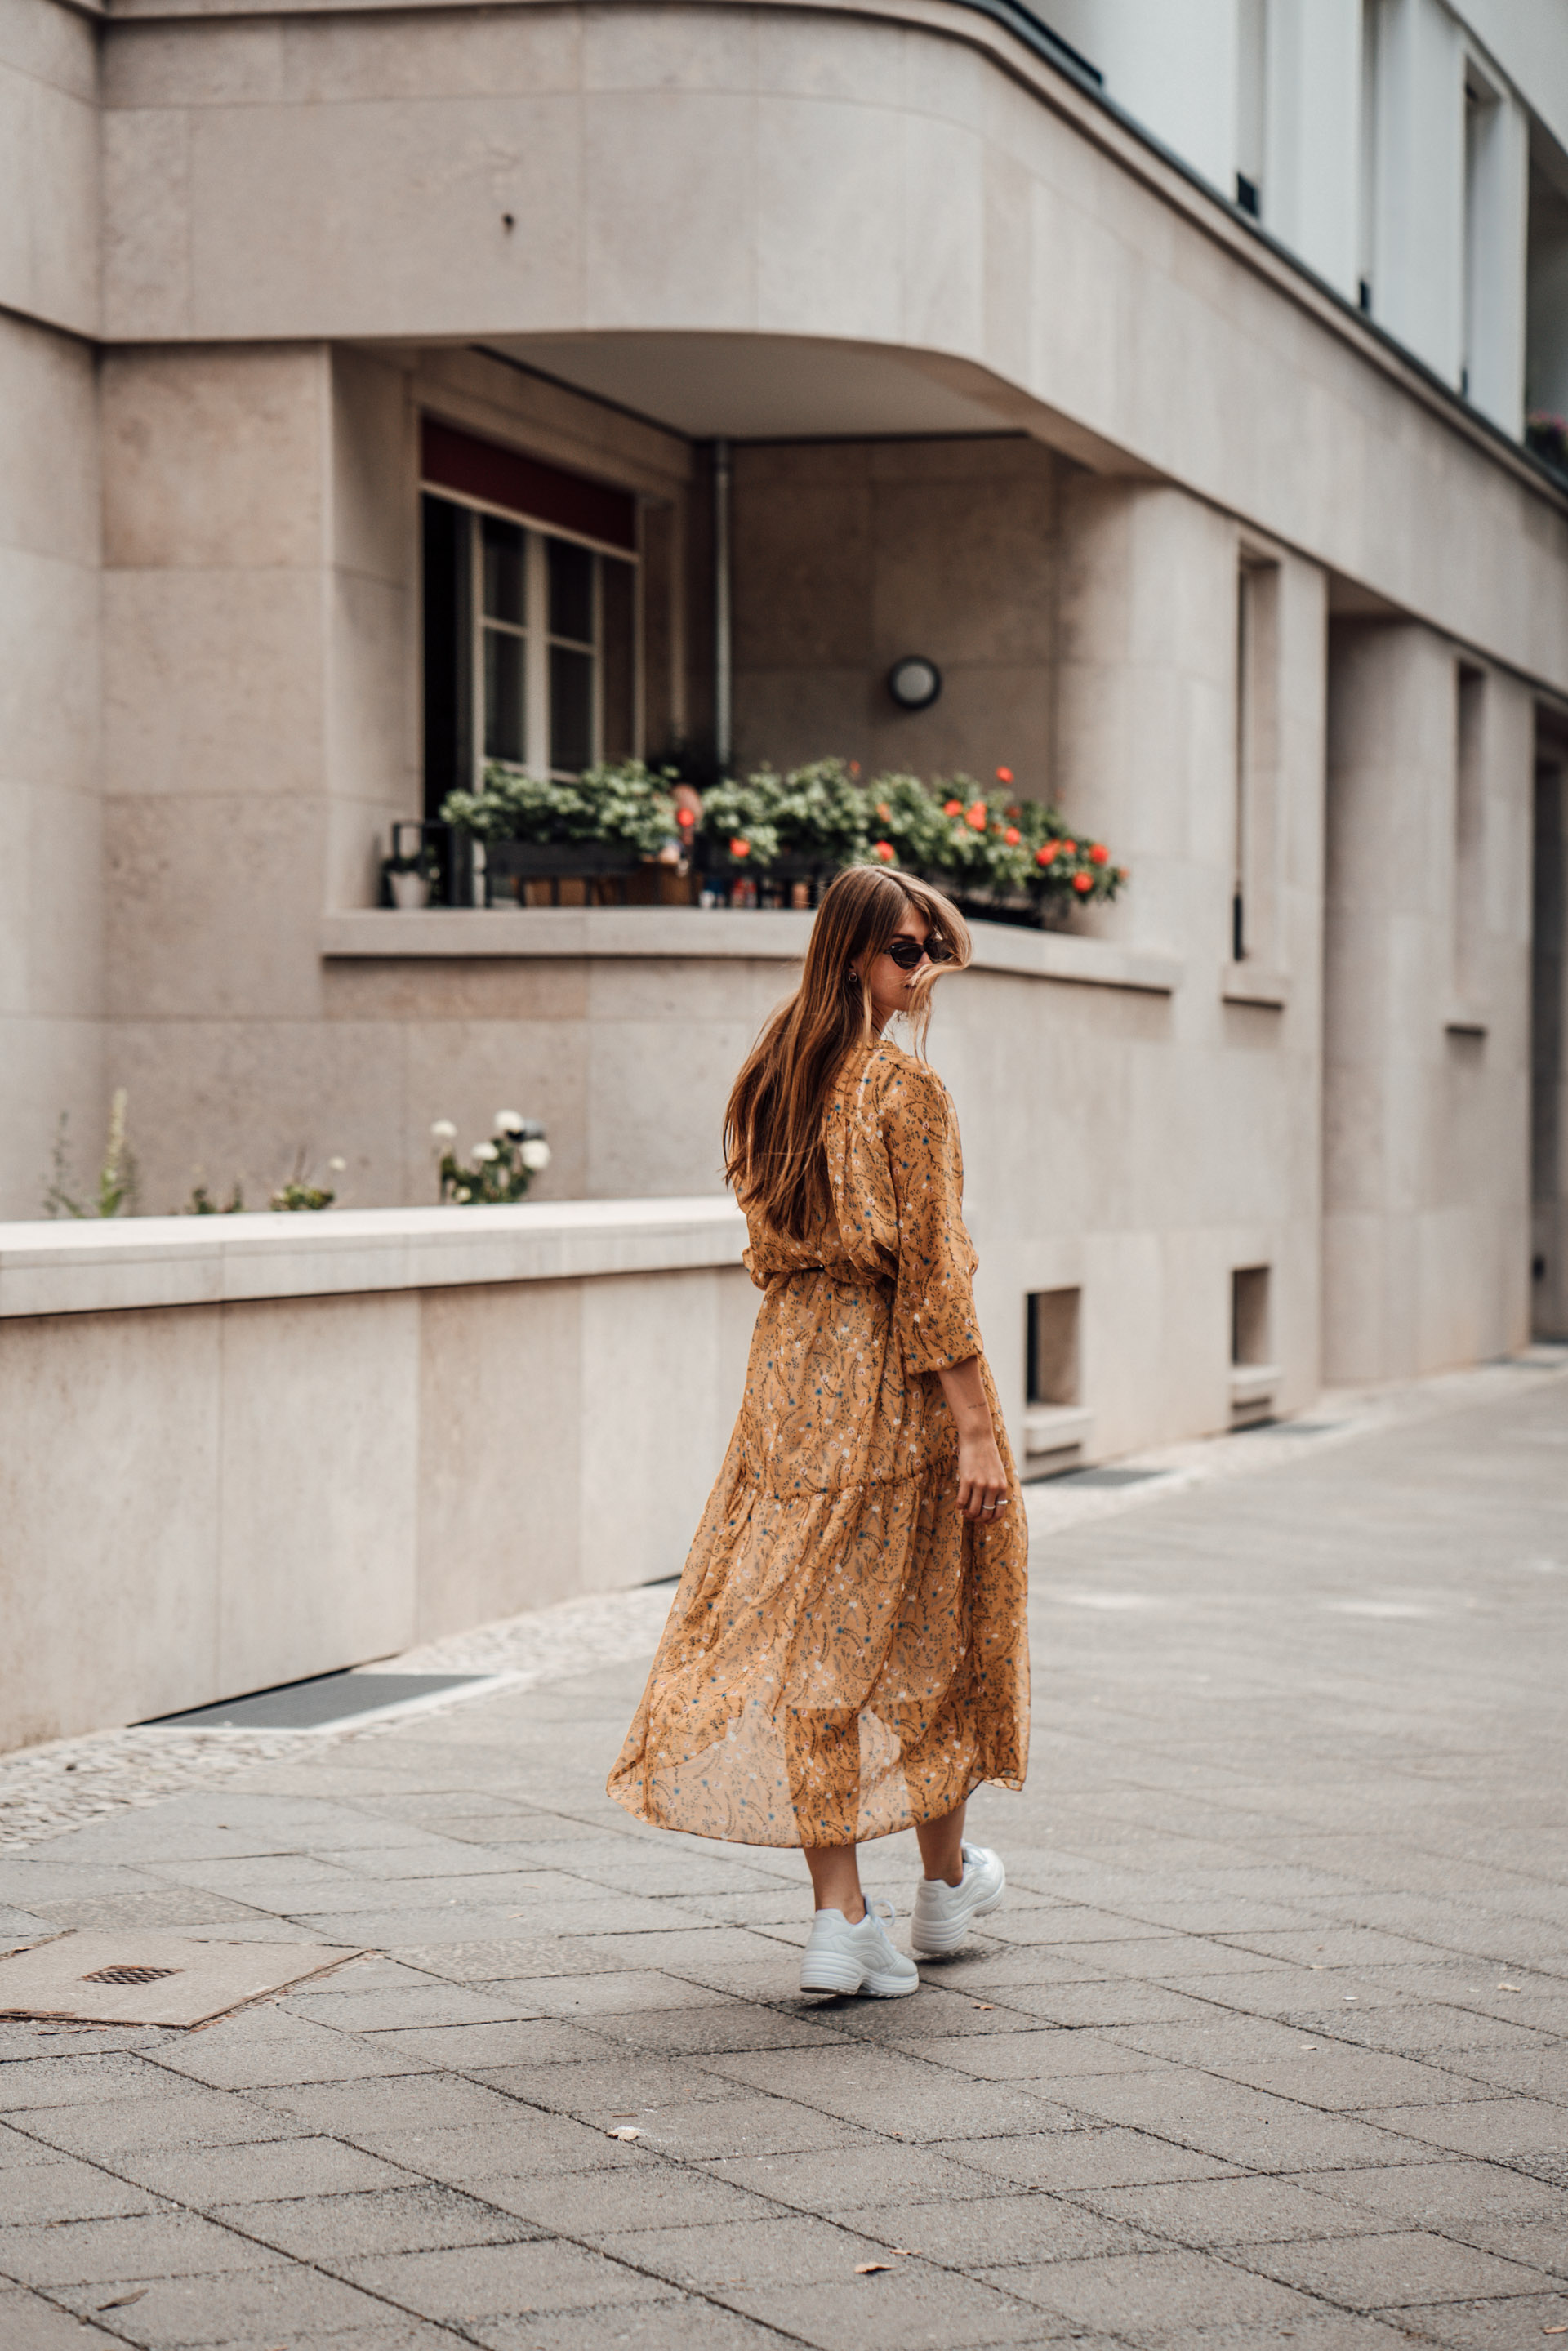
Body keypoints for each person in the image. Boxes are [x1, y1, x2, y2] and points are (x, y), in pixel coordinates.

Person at [607, 865, 1029, 1997]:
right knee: (938, 1616)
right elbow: (933, 1282)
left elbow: (761, 1248)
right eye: (906, 950)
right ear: (851, 953)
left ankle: (885, 1905)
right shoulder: (906, 1092)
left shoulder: (770, 1078)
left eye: (935, 948)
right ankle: (885, 1907)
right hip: (892, 1375)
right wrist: (978, 1433)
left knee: (819, 1639)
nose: (926, 971)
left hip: (789, 1374)